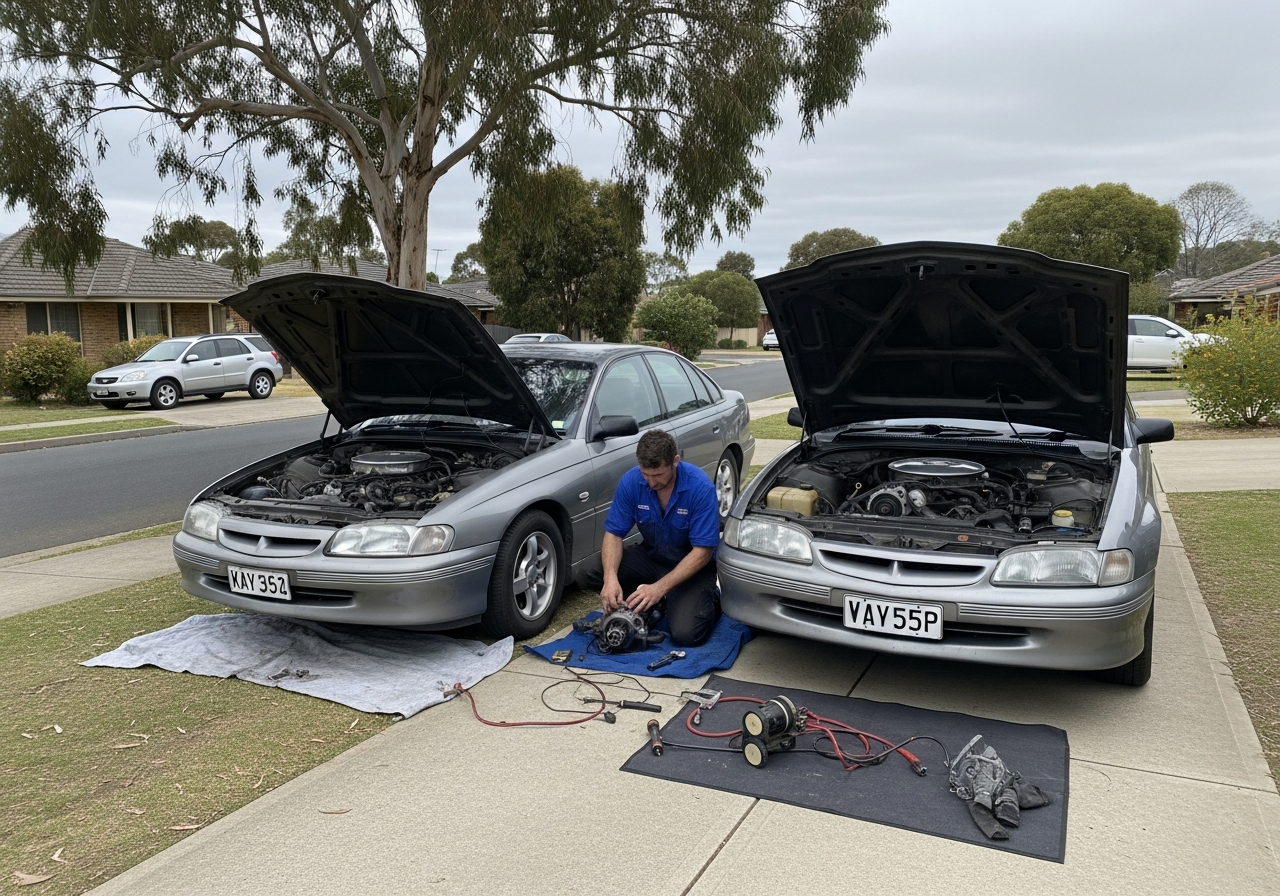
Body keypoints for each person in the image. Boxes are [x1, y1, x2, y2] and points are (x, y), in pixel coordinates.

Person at [583, 429, 722, 646]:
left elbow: (702, 553)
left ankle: (708, 600)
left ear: (675, 461)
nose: (650, 482)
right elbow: (614, 533)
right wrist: (610, 579)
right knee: (590, 571)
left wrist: (659, 588)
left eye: (657, 475)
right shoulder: (631, 481)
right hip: (652, 558)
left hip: (692, 568)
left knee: (686, 635)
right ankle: (649, 601)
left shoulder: (700, 488)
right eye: (645, 474)